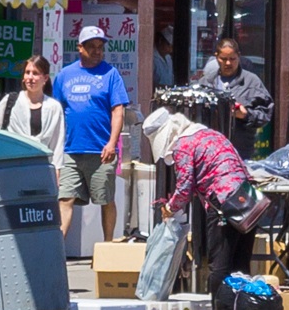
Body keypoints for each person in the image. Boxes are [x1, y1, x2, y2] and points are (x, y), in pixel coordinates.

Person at [143, 109, 257, 289]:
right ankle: (241, 309)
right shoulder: (211, 134)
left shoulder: (183, 145)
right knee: (241, 264)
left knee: (219, 265)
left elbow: (184, 187)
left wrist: (170, 208)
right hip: (248, 196)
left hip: (223, 201)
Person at [54, 24, 133, 239]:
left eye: (100, 47)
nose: (97, 51)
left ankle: (107, 248)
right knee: (65, 199)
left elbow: (118, 111)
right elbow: (56, 111)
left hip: (101, 151)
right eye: (92, 47)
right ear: (80, 47)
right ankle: (59, 250)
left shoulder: (110, 74)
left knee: (105, 199)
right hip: (70, 150)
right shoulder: (64, 75)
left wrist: (111, 143)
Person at [0, 54, 71, 181]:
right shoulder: (11, 101)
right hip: (11, 168)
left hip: (42, 169)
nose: (30, 77)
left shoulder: (53, 107)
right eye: (27, 73)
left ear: (45, 78)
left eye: (35, 73)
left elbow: (57, 143)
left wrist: (57, 171)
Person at [198, 37, 272, 155]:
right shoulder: (206, 83)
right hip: (210, 153)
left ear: (239, 56)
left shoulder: (251, 82)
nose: (228, 63)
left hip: (240, 153)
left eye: (232, 59)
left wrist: (245, 115)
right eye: (224, 59)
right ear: (216, 57)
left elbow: (266, 114)